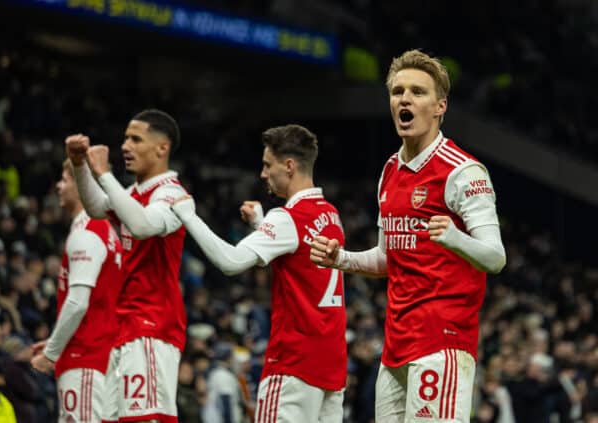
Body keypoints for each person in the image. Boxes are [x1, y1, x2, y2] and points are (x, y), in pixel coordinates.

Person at [310, 49, 507, 423]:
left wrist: (455, 237)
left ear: (440, 107)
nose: (405, 99)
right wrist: (341, 259)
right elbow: (388, 258)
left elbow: (496, 257)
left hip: (442, 342)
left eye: (418, 92)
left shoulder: (463, 172)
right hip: (396, 345)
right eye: (398, 91)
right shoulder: (389, 171)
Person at [171, 124, 347, 422]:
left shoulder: (288, 218)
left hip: (293, 366)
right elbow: (297, 256)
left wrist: (189, 217)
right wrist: (260, 224)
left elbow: (231, 261)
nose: (263, 174)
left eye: (268, 165)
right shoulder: (330, 214)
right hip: (331, 368)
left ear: (289, 166)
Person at [65, 109, 188, 422]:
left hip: (151, 326)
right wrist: (80, 166)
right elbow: (95, 208)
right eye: (124, 138)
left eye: (136, 139)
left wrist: (104, 174)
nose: (125, 146)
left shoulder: (172, 194)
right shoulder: (133, 193)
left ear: (162, 148)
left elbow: (143, 225)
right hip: (122, 326)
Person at [30, 159, 124, 423]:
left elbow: (78, 303)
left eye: (66, 179)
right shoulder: (107, 232)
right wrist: (56, 340)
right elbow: (97, 303)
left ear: (84, 184)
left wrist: (52, 354)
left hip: (84, 358)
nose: (59, 186)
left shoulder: (87, 232)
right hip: (100, 354)